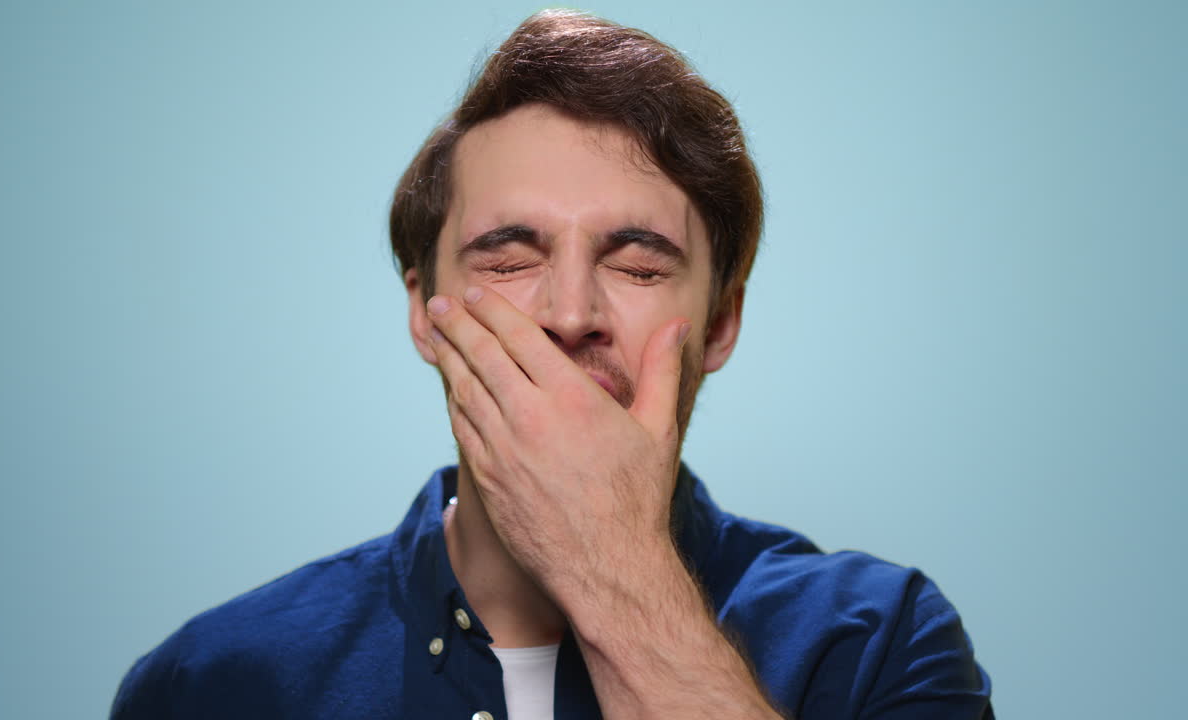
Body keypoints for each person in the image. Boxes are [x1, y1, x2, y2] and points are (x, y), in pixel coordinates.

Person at [111, 10, 993, 720]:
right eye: (508, 258)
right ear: (424, 311)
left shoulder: (880, 643)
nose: (572, 317)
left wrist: (611, 565)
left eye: (638, 263)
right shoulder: (210, 685)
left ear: (721, 323)